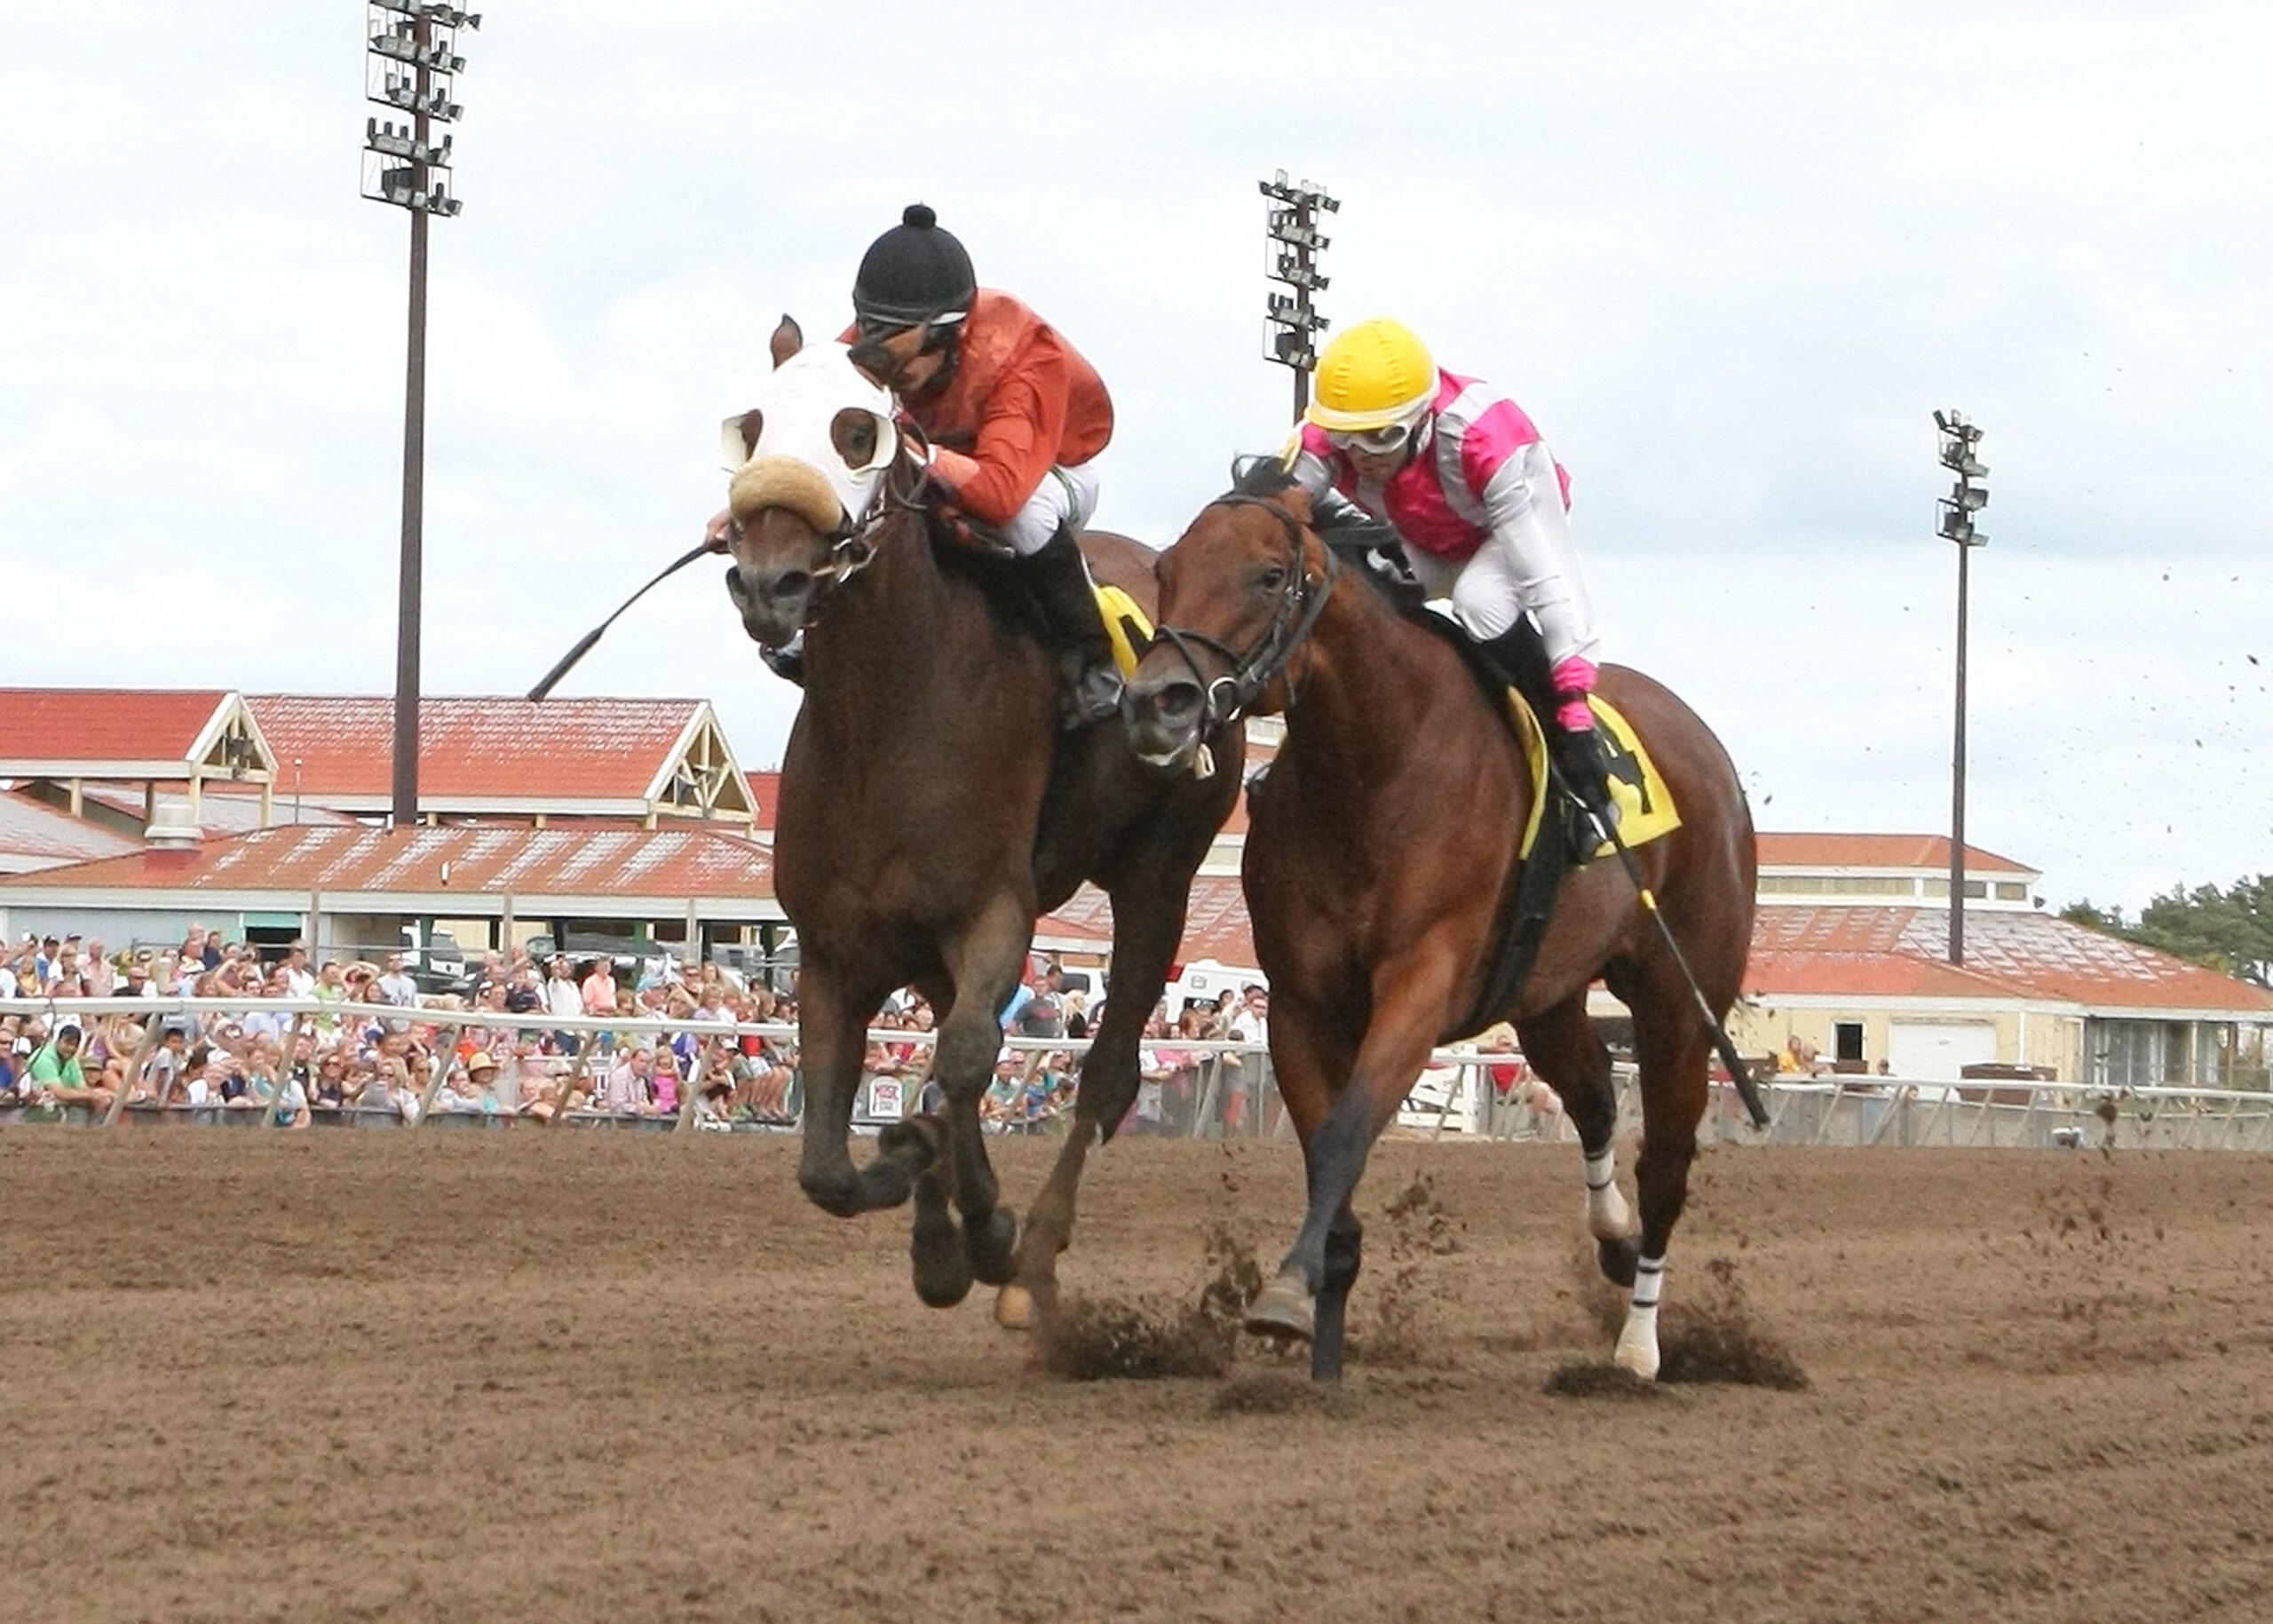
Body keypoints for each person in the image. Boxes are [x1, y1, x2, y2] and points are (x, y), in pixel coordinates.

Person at [739, 203, 1124, 725]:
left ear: (952, 336)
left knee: (1024, 517)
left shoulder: (1024, 355)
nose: (895, 369)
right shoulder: (864, 344)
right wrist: (751, 504)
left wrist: (910, 449)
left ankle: (1092, 655)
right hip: (937, 454)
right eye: (880, 342)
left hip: (1048, 471)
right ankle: (810, 628)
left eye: (910, 355)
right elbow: (817, 437)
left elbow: (999, 493)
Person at [1285, 316, 1617, 826]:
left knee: (1481, 600)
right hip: (1427, 532)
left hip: (1507, 527)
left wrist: (1573, 706)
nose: (1362, 456)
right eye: (1346, 439)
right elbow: (1270, 512)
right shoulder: (1330, 438)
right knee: (1355, 582)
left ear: (1421, 419)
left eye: (1380, 437)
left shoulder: (1483, 441)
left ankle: (1557, 742)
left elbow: (1549, 585)